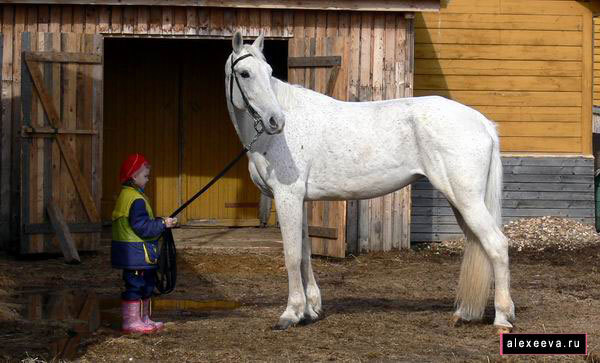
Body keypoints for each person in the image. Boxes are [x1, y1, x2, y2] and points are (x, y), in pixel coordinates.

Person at [111, 153, 177, 334]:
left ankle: (143, 318)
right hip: (134, 253)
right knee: (136, 286)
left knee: (147, 285)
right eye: (145, 176)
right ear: (134, 176)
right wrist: (163, 224)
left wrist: (159, 221)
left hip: (138, 254)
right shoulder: (136, 200)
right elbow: (142, 227)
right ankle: (131, 322)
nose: (148, 180)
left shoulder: (131, 196)